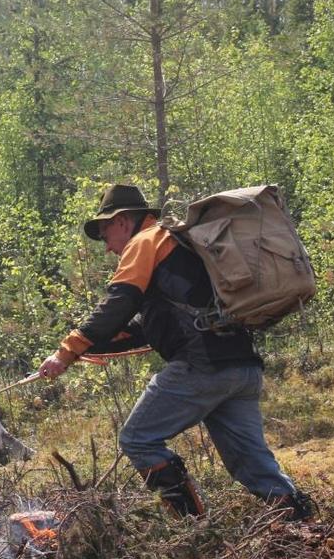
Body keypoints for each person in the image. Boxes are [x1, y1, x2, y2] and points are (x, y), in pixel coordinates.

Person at [38, 184, 311, 520]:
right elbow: (145, 326)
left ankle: (190, 528)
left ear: (123, 221)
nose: (108, 246)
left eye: (106, 232)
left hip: (203, 367)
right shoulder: (178, 245)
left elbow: (118, 303)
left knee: (138, 439)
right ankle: (305, 528)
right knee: (254, 465)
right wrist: (88, 347)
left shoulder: (145, 241)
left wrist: (66, 352)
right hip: (241, 368)